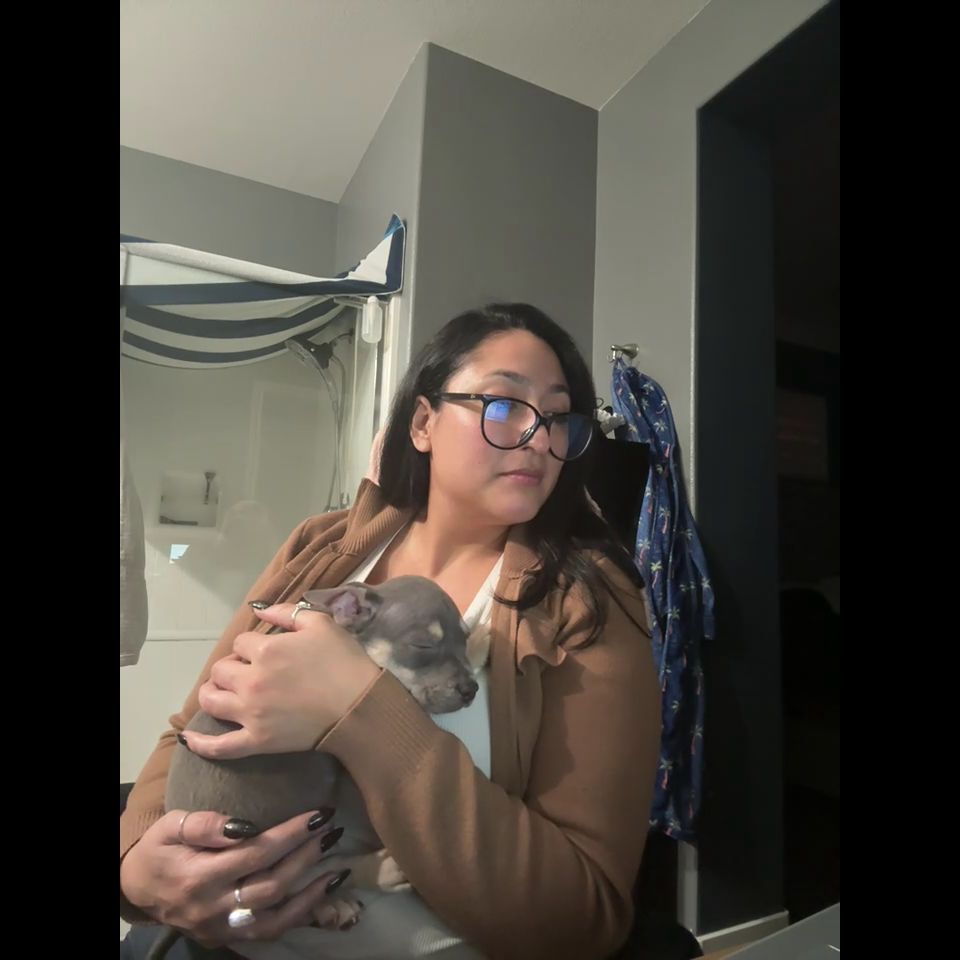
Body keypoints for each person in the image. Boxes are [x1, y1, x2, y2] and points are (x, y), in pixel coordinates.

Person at [120, 303, 661, 960]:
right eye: (505, 405)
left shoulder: (590, 599)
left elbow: (585, 917)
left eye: (557, 419)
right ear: (424, 422)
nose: (539, 440)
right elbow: (193, 727)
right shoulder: (321, 548)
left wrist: (360, 709)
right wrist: (137, 866)